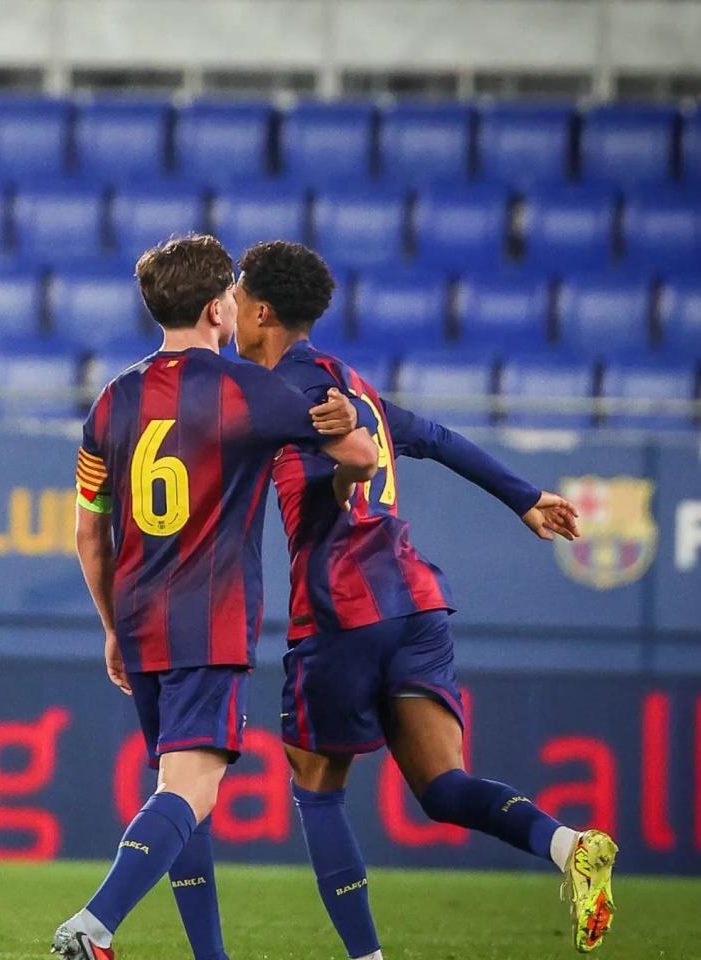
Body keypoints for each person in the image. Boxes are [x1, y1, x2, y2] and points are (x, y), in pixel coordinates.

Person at [231, 240, 616, 956]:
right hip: (414, 598)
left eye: (237, 299)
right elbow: (435, 436)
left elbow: (332, 470)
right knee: (442, 787)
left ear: (260, 311)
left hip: (341, 605)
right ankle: (569, 846)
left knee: (316, 786)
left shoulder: (286, 390)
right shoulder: (358, 388)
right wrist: (525, 498)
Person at [53, 234, 378, 960]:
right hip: (210, 618)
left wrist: (111, 625)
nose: (237, 302)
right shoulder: (249, 391)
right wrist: (343, 421)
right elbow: (361, 456)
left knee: (180, 790)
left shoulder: (112, 400)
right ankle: (95, 925)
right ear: (215, 309)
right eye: (231, 292)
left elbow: (87, 535)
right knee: (192, 792)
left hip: (137, 620)